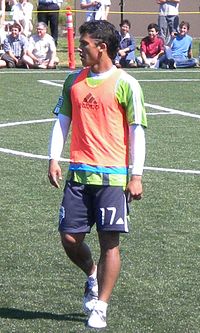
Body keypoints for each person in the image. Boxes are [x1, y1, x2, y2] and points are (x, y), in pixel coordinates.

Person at [48, 20, 147, 329]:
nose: (80, 49)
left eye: (85, 44)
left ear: (102, 47)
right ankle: (92, 275)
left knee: (110, 243)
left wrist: (137, 175)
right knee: (69, 237)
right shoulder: (72, 81)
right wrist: (54, 157)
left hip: (113, 178)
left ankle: (101, 305)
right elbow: (63, 120)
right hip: (79, 174)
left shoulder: (126, 83)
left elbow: (137, 131)